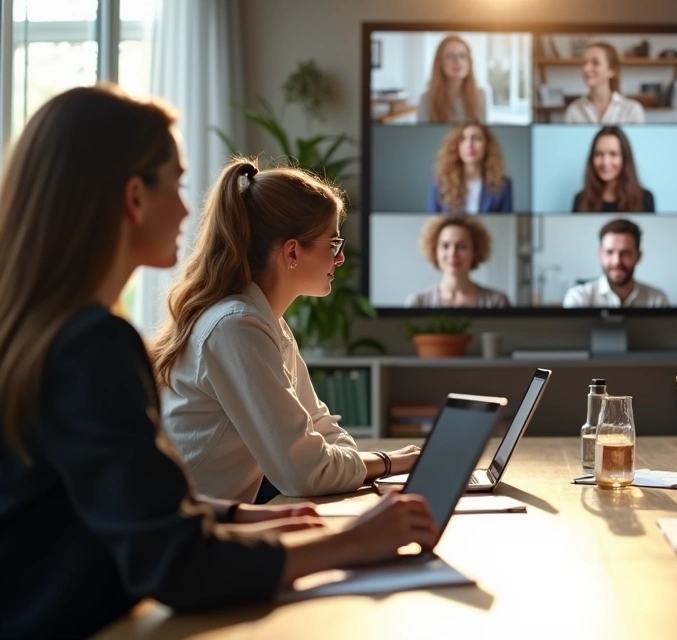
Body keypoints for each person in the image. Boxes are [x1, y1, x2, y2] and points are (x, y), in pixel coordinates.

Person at [0, 85, 438, 638]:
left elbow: (103, 502)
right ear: (134, 198)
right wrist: (350, 543)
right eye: (177, 184)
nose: (188, 208)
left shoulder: (42, 334)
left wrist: (232, 515)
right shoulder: (91, 346)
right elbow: (177, 565)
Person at [150, 159, 423, 504]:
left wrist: (350, 463)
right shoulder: (236, 328)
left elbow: (321, 428)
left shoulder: (265, 321)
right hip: (191, 540)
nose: (339, 259)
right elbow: (306, 473)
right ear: (293, 251)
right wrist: (390, 462)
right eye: (334, 244)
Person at [406, 214, 510, 308]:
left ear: (475, 252)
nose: (452, 253)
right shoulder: (417, 302)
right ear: (435, 251)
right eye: (445, 246)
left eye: (462, 247)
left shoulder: (497, 302)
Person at [563, 218, 669, 308]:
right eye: (609, 252)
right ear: (600, 255)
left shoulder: (657, 300)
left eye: (625, 253)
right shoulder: (578, 297)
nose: (617, 261)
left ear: (638, 256)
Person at [427, 122, 513, 213]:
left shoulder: (503, 185)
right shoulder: (439, 184)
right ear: (455, 146)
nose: (469, 145)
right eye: (462, 139)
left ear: (487, 145)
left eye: (476, 138)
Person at [571, 126, 655, 213]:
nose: (605, 162)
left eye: (613, 154)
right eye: (599, 154)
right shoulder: (580, 200)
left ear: (625, 158)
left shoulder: (646, 199)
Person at [564, 41, 645, 124]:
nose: (586, 68)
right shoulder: (573, 110)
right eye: (584, 63)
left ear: (612, 70)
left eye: (595, 62)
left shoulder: (632, 110)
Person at [416, 35, 486, 124]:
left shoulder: (481, 95)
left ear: (469, 63)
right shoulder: (426, 99)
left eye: (463, 56)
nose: (457, 61)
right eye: (450, 56)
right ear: (440, 63)